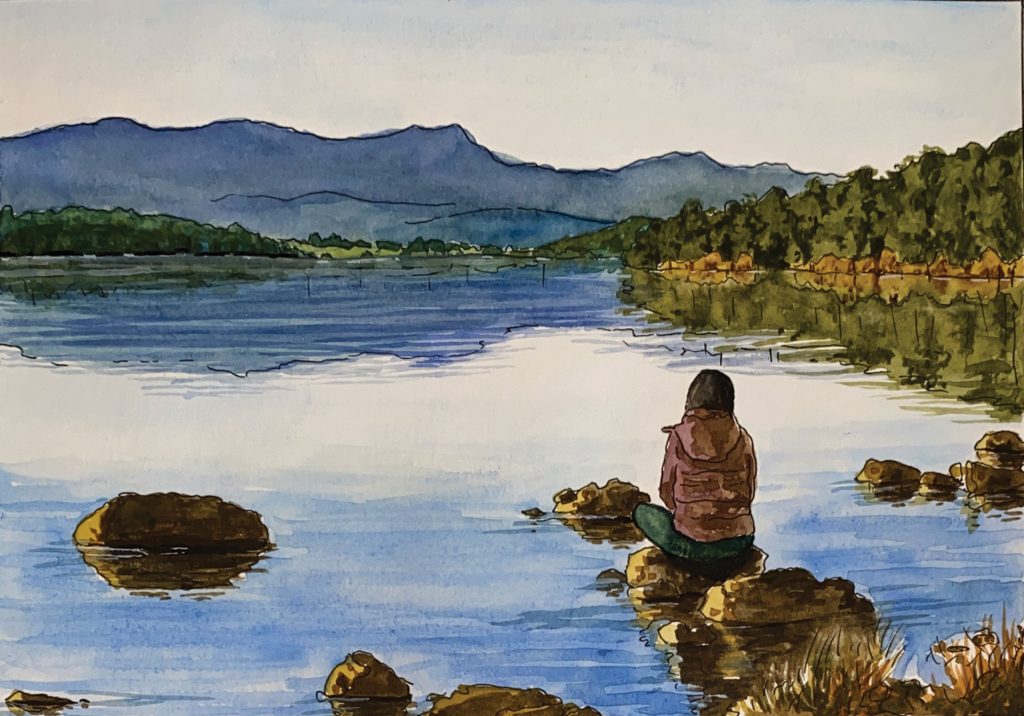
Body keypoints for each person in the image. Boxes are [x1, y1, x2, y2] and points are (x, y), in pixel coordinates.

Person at [632, 369, 757, 562]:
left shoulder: (678, 438)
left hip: (692, 547)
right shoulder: (743, 439)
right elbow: (749, 492)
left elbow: (667, 494)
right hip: (738, 545)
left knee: (642, 512)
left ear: (691, 400)